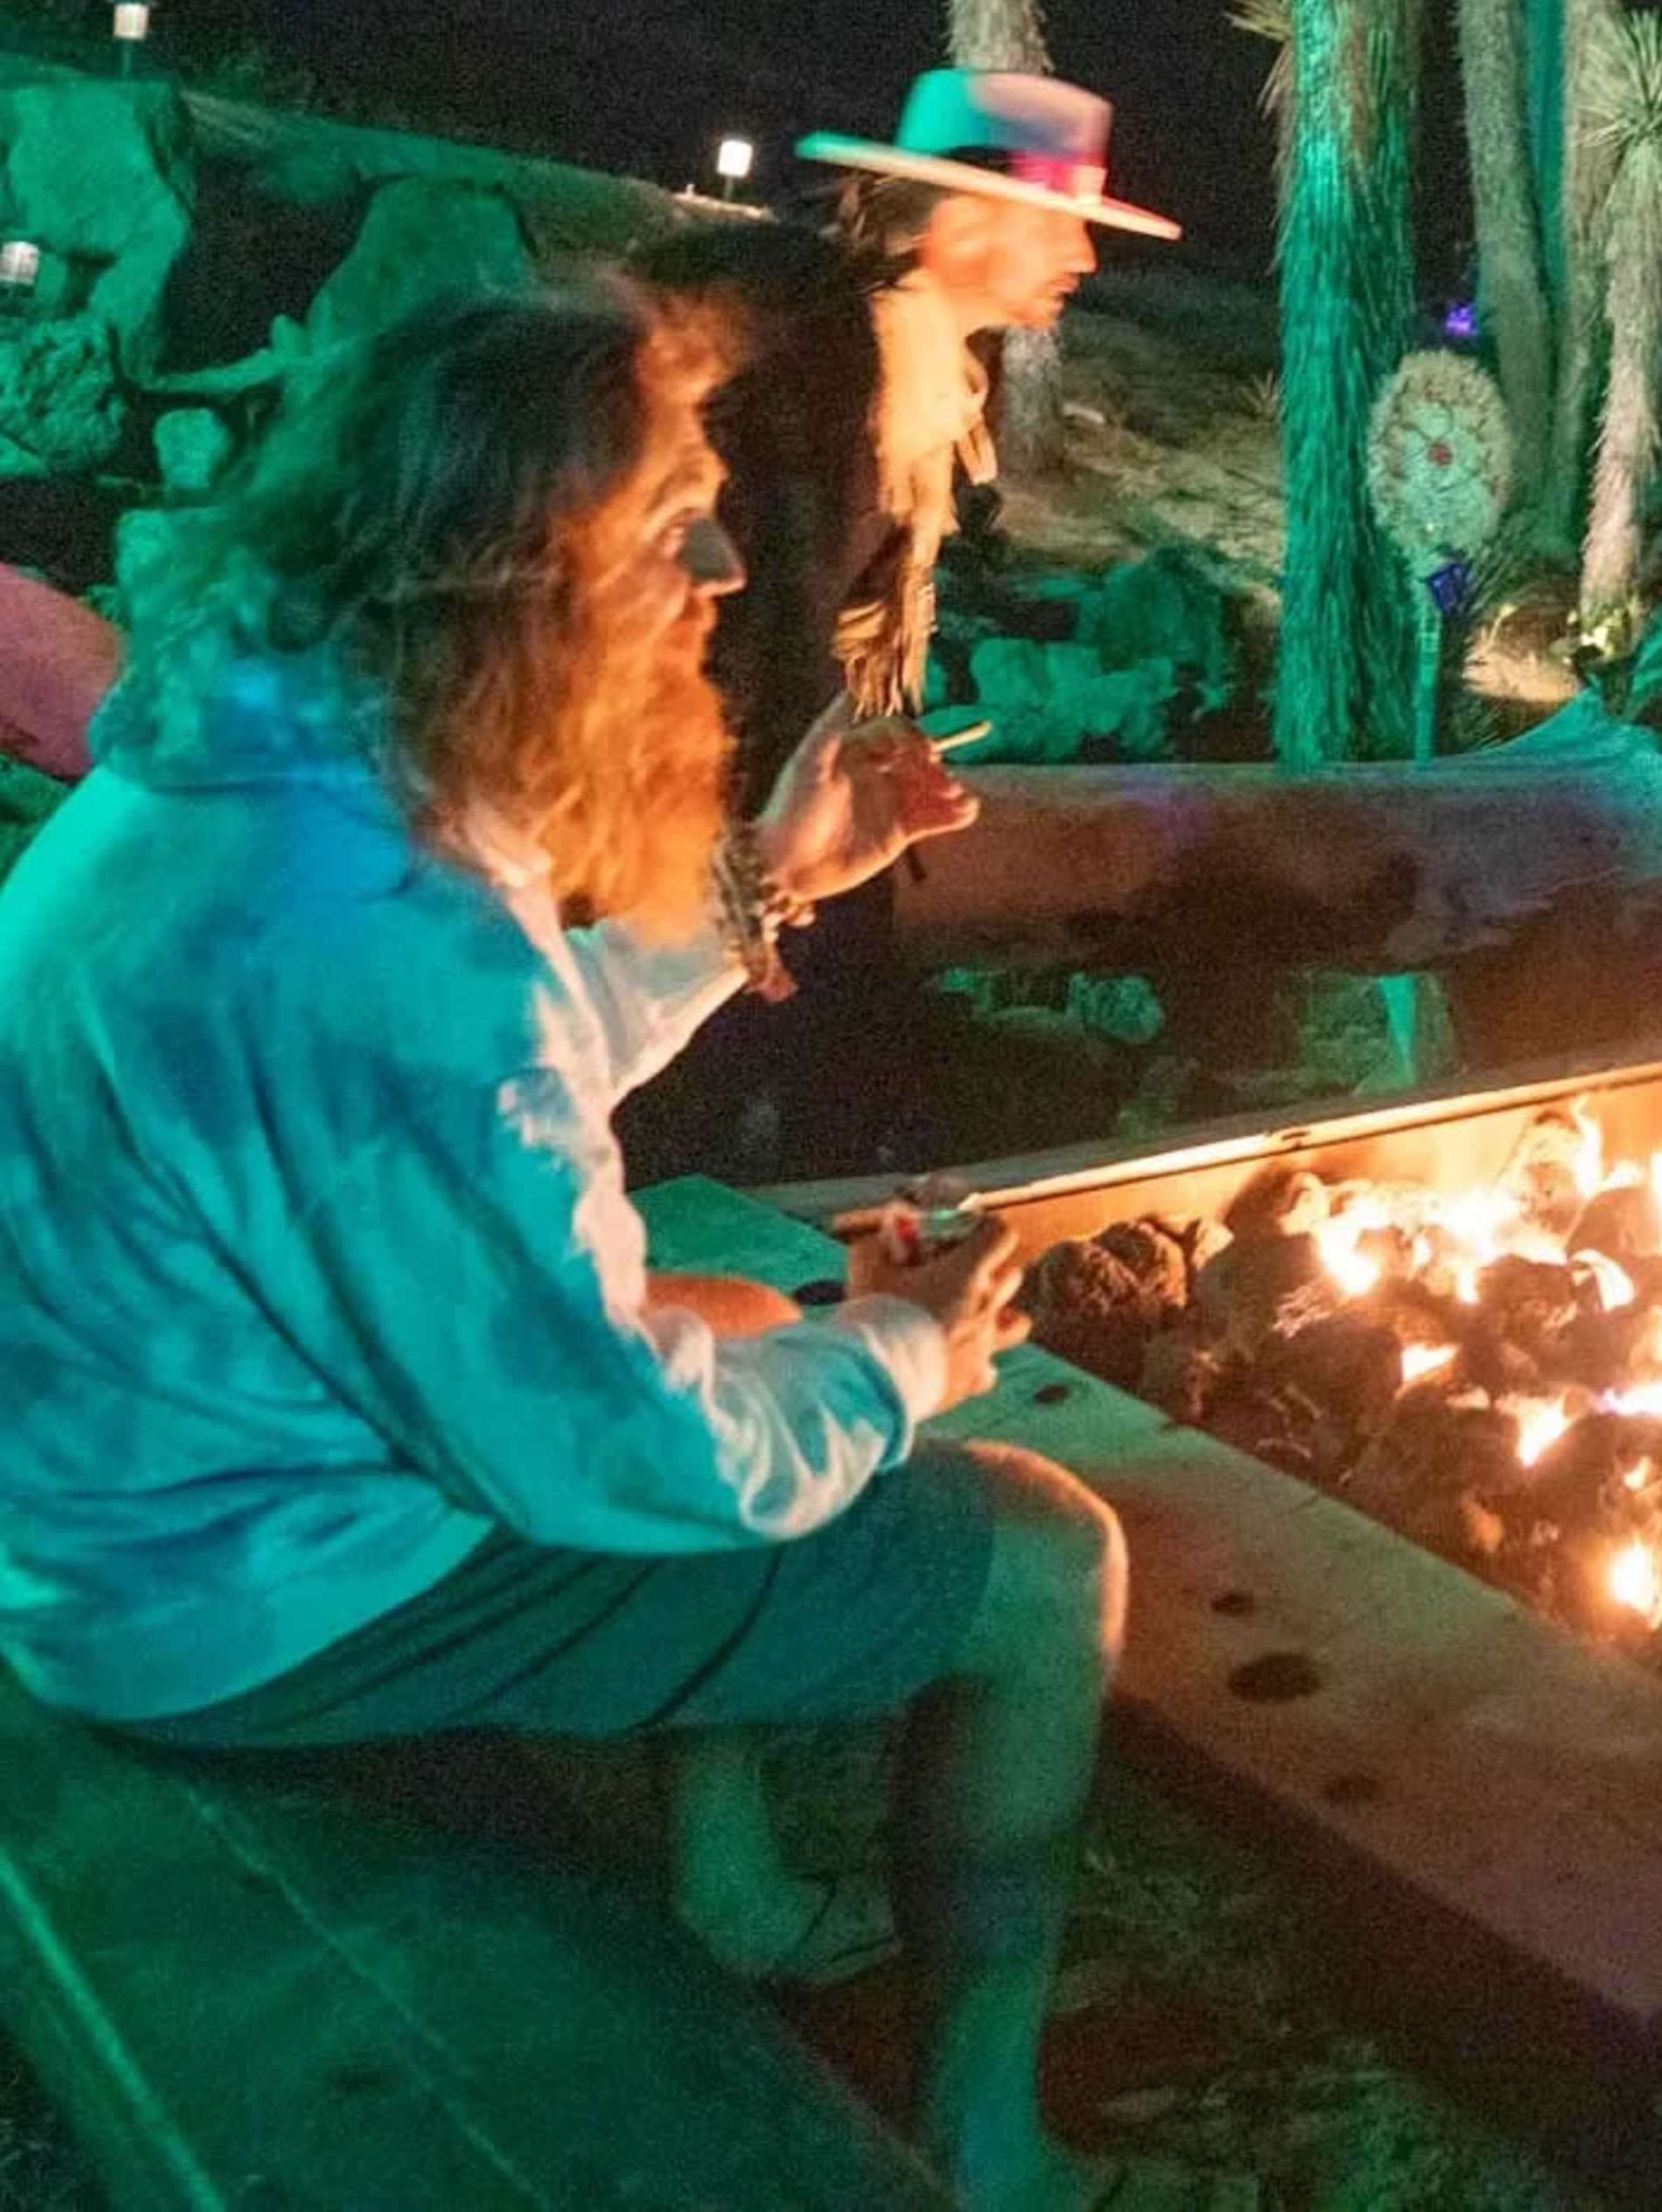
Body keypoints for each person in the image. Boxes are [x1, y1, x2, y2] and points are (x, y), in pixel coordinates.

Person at [0, 281, 1124, 2212]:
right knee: (1040, 1557)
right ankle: (984, 2146)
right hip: (226, 1599)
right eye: (663, 526)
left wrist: (760, 883)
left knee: (733, 1303)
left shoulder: (271, 764)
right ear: (511, 577)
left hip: (133, 1492)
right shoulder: (377, 924)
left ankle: (731, 1878)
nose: (714, 568)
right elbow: (618, 1443)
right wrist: (915, 1355)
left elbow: (460, 1107)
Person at [622, 67, 1178, 1183]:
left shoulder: (896, 359)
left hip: (763, 773)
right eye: (1064, 226)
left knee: (816, 1041)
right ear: (966, 226)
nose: (1086, 259)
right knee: (721, 1071)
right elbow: (769, 616)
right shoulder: (836, 364)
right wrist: (762, 855)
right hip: (697, 794)